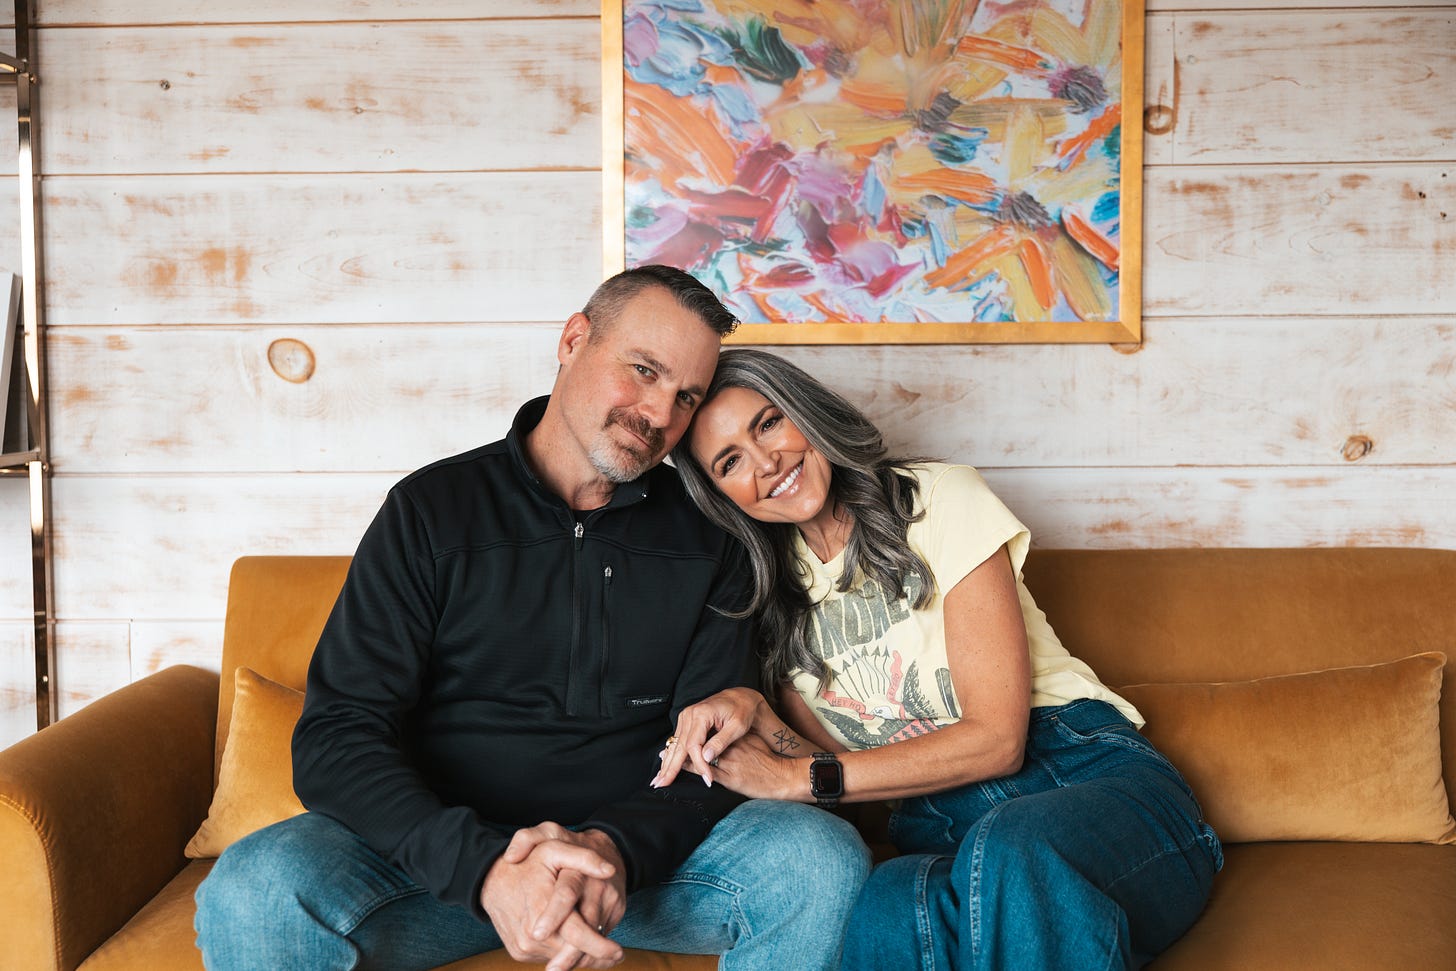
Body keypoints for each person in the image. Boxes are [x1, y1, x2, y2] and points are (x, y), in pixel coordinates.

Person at [193, 269, 870, 971]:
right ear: (573, 340)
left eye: (685, 397)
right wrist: (487, 870)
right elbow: (336, 735)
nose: (658, 413)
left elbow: (714, 749)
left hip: (638, 873)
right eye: (644, 371)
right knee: (256, 886)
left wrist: (612, 851)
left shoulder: (712, 536)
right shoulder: (430, 510)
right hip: (439, 871)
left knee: (816, 860)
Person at [656, 348, 1223, 970]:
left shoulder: (936, 499)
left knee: (1013, 849)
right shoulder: (769, 597)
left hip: (1084, 781)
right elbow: (853, 780)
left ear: (805, 412)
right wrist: (758, 713)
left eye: (768, 423)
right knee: (886, 905)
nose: (767, 462)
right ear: (719, 496)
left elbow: (998, 741)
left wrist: (795, 778)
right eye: (730, 461)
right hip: (941, 828)